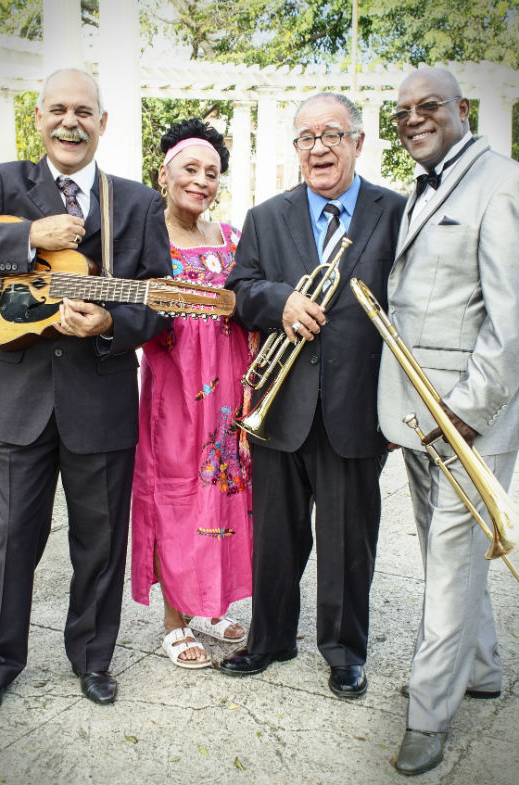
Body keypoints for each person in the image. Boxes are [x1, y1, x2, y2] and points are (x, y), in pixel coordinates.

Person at [0, 69, 172, 717]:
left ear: (104, 123)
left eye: (84, 111)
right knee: (13, 534)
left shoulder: (136, 203)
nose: (69, 122)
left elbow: (159, 304)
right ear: (39, 119)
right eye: (57, 110)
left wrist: (111, 321)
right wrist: (27, 238)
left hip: (100, 400)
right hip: (19, 400)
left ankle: (92, 657)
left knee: (100, 541)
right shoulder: (6, 184)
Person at [219, 93, 406, 696]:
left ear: (358, 141)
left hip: (357, 407)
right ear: (295, 147)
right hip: (281, 405)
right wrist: (281, 301)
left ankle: (344, 650)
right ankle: (270, 638)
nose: (318, 147)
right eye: (306, 137)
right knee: (275, 534)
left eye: (331, 134)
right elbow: (240, 290)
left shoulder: (397, 212)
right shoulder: (266, 216)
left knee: (350, 540)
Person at [377, 66, 519, 776]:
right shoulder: (426, 184)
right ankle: (485, 666)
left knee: (452, 557)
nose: (411, 118)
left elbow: (511, 317)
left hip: (466, 416)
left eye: (428, 106)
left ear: (462, 109)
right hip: (416, 413)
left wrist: (466, 412)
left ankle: (428, 713)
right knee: (448, 547)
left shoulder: (504, 181)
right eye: (401, 111)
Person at [130, 119, 254, 668]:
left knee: (226, 491)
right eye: (190, 168)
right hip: (176, 391)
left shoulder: (231, 238)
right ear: (165, 173)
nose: (201, 180)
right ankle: (175, 618)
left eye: (211, 172)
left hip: (231, 387)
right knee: (176, 494)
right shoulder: (145, 238)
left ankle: (212, 601)